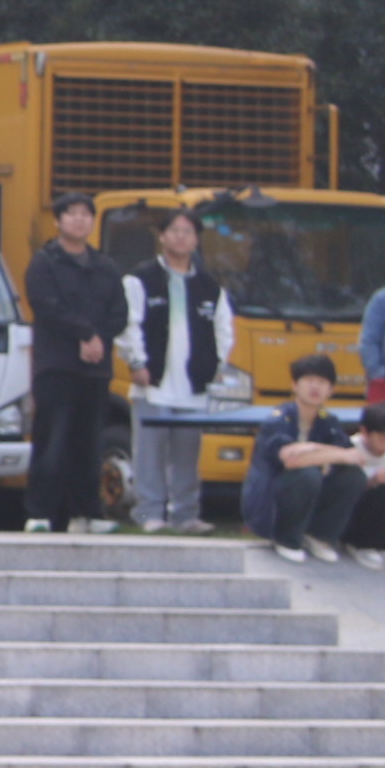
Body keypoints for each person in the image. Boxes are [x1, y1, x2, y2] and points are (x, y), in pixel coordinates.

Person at [124, 207, 236, 534]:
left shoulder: (210, 287)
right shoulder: (140, 279)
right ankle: (148, 513)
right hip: (153, 382)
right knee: (149, 453)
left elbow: (223, 331)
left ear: (197, 239)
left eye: (188, 232)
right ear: (162, 236)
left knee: (188, 453)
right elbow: (129, 324)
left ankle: (186, 515)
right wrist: (136, 362)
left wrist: (216, 365)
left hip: (193, 385)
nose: (181, 237)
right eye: (174, 230)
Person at [24, 195, 123, 535]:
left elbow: (119, 312)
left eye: (85, 214)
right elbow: (46, 306)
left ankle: (88, 513)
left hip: (95, 370)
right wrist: (83, 334)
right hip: (56, 366)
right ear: (58, 220)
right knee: (52, 441)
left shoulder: (105, 266)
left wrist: (98, 338)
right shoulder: (44, 263)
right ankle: (40, 513)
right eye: (72, 214)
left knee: (90, 445)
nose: (79, 220)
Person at [240, 353, 365, 564]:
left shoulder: (328, 421)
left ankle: (319, 536)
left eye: (322, 382)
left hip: (306, 493)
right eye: (309, 380)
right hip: (268, 501)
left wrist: (313, 448)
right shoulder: (279, 418)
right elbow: (291, 460)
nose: (315, 387)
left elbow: (354, 457)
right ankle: (286, 538)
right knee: (307, 474)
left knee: (353, 476)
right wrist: (334, 454)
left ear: (331, 390)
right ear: (295, 385)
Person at [348, 404, 385, 565]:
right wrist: (372, 480)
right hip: (355, 512)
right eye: (382, 438)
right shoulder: (350, 447)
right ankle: (363, 545)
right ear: (365, 431)